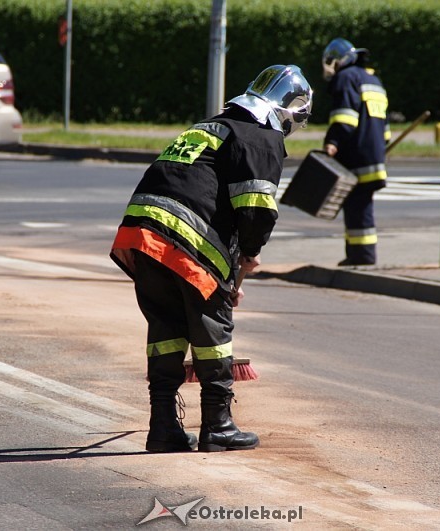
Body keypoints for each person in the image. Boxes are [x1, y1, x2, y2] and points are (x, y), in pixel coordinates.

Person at [110, 65, 313, 453]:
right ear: (288, 112)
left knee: (167, 329)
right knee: (212, 330)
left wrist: (235, 262)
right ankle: (218, 425)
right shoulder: (261, 137)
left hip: (140, 235)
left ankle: (163, 427)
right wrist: (249, 255)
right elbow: (256, 207)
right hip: (185, 237)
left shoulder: (209, 127)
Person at [321, 38, 391, 266]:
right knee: (359, 204)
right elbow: (385, 129)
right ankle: (357, 254)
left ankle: (363, 256)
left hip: (355, 157)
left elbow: (345, 117)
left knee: (357, 206)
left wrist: (332, 141)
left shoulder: (346, 78)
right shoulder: (374, 81)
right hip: (375, 157)